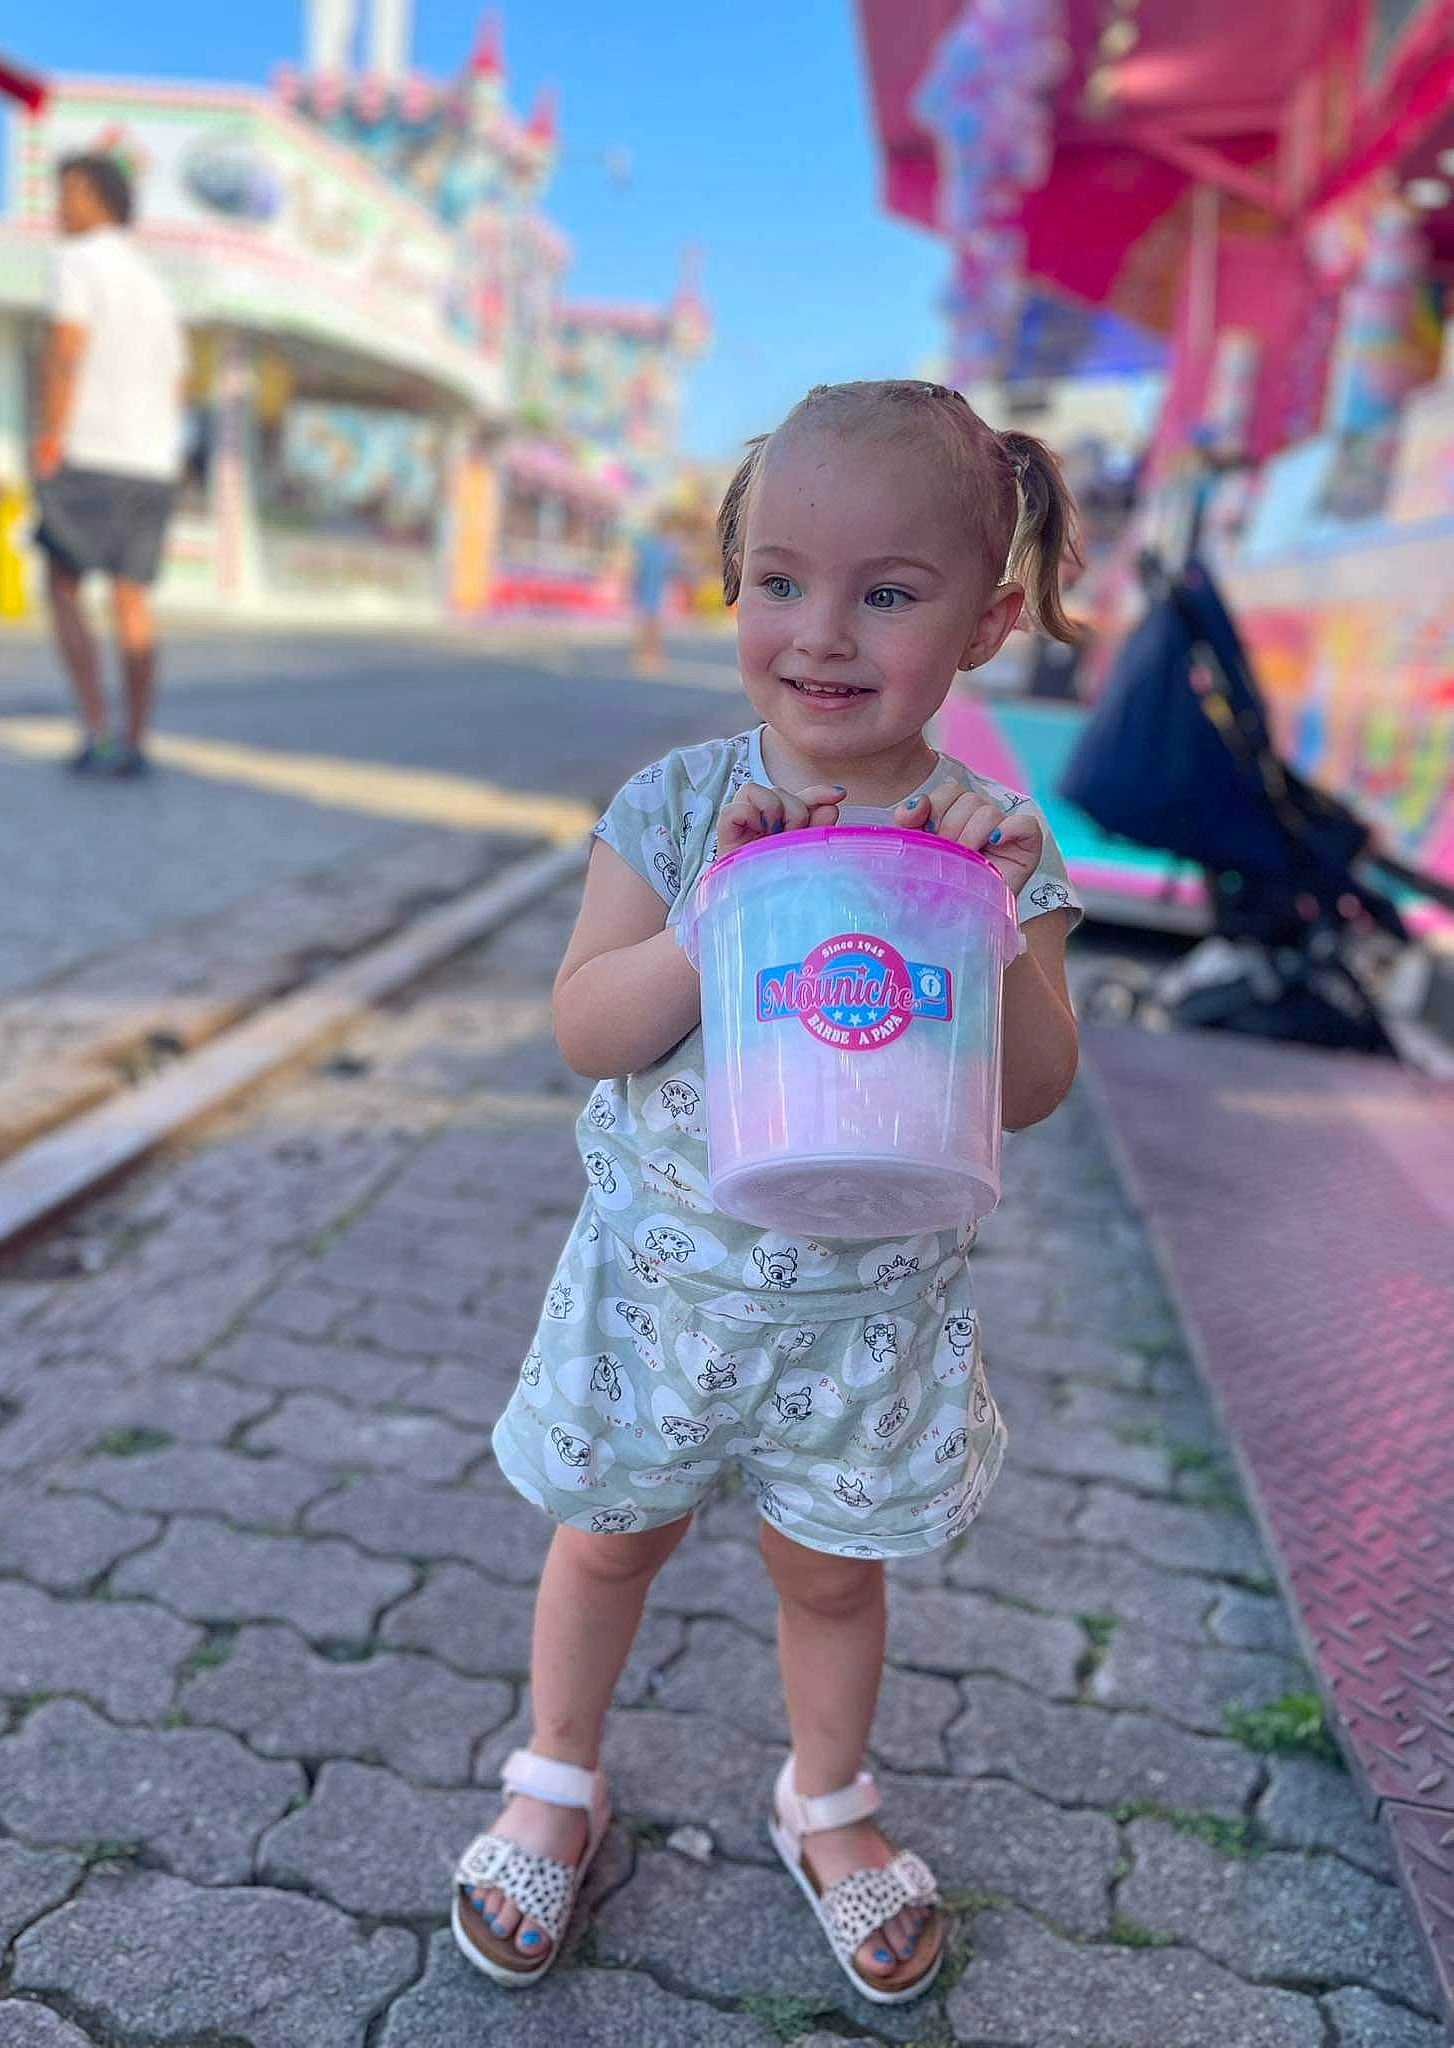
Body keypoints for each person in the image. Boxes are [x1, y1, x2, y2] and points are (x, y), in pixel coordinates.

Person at [452, 379, 1084, 2004]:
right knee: (604, 1542)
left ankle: (828, 1798)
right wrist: (709, 911)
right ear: (735, 586)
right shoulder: (676, 805)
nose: (822, 631)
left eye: (887, 591)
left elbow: (1030, 1087)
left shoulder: (994, 836)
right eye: (782, 579)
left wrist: (989, 921)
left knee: (830, 1574)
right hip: (657, 1295)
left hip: (867, 1320)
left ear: (988, 619)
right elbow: (587, 1024)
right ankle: (558, 1776)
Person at [33, 153, 186, 777]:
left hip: (92, 453)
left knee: (64, 586)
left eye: (68, 193)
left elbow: (68, 350)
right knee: (132, 600)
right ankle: (139, 742)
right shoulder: (155, 283)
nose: (59, 207)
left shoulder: (77, 261)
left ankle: (96, 731)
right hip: (151, 462)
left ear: (100, 200)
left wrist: (49, 435)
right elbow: (178, 383)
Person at [629, 515, 678, 674]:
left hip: (653, 592)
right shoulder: (661, 550)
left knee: (650, 626)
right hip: (652, 591)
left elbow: (637, 571)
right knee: (651, 626)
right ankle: (649, 656)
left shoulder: (655, 549)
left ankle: (649, 656)